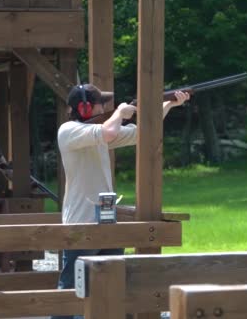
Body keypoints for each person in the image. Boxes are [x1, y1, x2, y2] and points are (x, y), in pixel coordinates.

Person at [52, 84, 189, 319]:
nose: (104, 107)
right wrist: (120, 112)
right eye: (99, 103)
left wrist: (169, 105)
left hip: (106, 221)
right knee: (72, 288)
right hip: (81, 222)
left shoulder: (97, 131)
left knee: (115, 284)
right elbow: (108, 132)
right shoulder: (68, 130)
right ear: (84, 108)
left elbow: (140, 134)